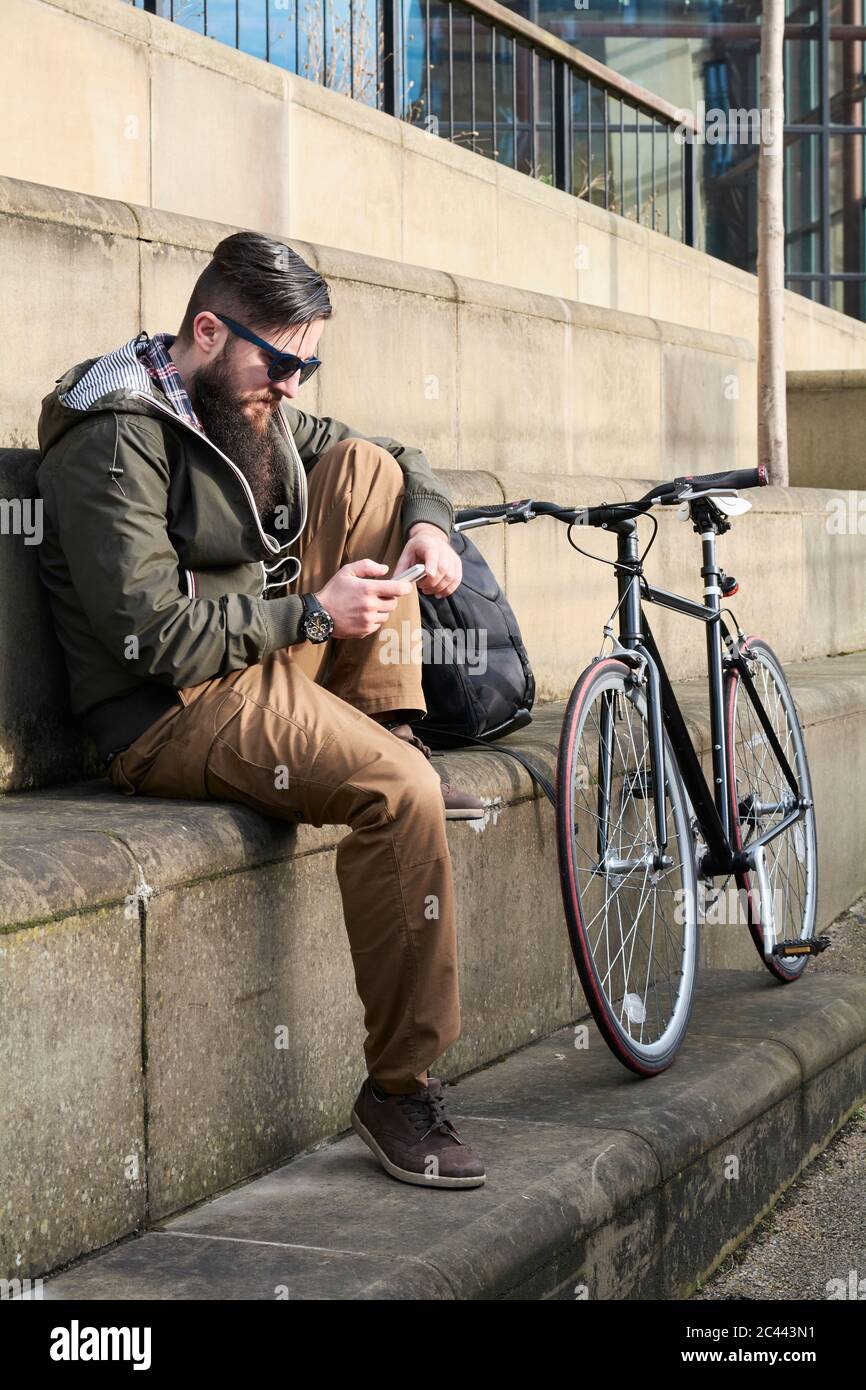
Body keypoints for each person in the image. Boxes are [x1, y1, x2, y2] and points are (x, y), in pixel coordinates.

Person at [35, 230, 486, 1189]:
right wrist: (315, 612)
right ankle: (398, 1090)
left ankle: (385, 725)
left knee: (367, 469)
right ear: (207, 329)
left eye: (306, 365)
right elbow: (144, 637)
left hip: (263, 661)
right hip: (167, 709)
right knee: (402, 794)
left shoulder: (246, 404)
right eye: (279, 362)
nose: (291, 386)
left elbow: (398, 454)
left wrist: (430, 527)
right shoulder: (114, 437)